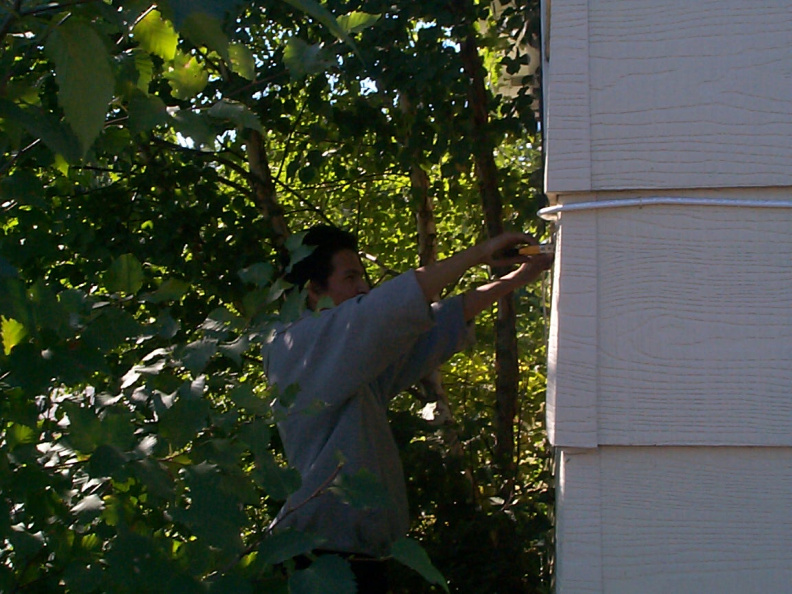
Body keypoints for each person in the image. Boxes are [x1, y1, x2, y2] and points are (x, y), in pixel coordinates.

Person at [264, 225, 553, 592]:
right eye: (350, 277)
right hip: (320, 561)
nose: (363, 288)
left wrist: (516, 278)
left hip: (359, 560)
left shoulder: (348, 362)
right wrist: (481, 252)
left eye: (363, 277)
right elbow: (388, 307)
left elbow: (430, 329)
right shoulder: (298, 344)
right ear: (312, 291)